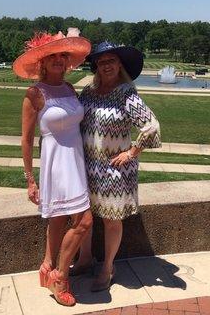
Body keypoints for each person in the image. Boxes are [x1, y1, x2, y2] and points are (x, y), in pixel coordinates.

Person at [13, 28, 93, 307]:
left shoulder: (70, 89)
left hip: (76, 161)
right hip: (55, 163)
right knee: (83, 221)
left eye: (62, 55)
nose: (58, 59)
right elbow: (25, 139)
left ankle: (48, 266)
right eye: (52, 56)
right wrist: (30, 180)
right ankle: (60, 277)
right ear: (42, 62)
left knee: (60, 219)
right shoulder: (35, 93)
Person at [73, 41, 161, 291]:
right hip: (88, 166)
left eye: (111, 61)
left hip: (114, 170)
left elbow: (151, 125)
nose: (106, 66)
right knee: (85, 216)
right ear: (96, 67)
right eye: (102, 62)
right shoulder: (89, 92)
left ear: (119, 64)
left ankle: (108, 268)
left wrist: (132, 152)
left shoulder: (126, 93)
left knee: (111, 220)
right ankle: (84, 258)